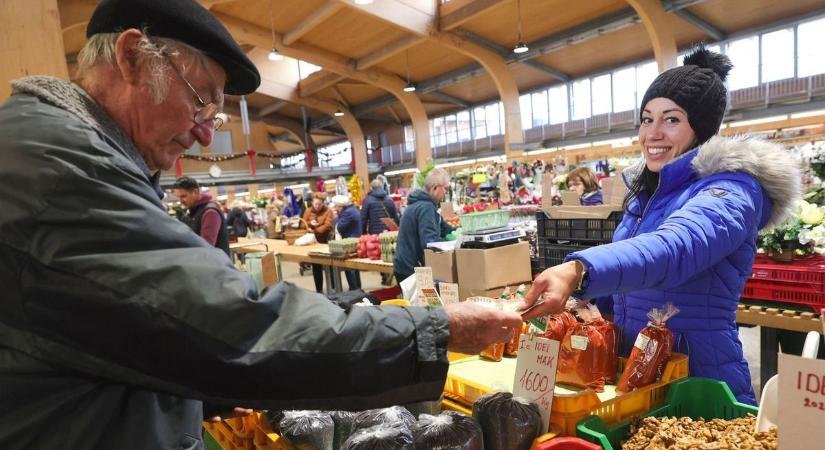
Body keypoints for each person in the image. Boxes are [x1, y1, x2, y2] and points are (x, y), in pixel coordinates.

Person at [0, 1, 523, 448]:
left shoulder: (60, 154)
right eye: (201, 100)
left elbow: (134, 333)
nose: (206, 136)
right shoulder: (61, 172)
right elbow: (232, 327)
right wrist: (437, 331)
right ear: (132, 56)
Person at [520, 46, 800, 405]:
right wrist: (581, 302)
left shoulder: (731, 191)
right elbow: (631, 286)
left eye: (671, 120)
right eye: (646, 119)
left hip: (697, 377)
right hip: (639, 369)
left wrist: (579, 269)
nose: (652, 133)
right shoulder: (647, 194)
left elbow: (673, 249)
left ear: (700, 128)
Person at [394, 168, 455, 283]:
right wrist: (449, 243)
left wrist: (457, 232)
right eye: (445, 188)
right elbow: (429, 242)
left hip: (404, 265)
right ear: (435, 188)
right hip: (411, 270)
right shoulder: (426, 208)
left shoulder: (420, 204)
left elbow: (442, 226)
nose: (446, 192)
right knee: (425, 295)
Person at [173, 176, 230, 256]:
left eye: (183, 196)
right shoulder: (194, 209)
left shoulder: (210, 212)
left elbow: (207, 246)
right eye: (178, 197)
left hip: (215, 262)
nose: (180, 201)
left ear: (195, 192)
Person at [303, 192, 334, 293]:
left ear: (323, 203)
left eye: (319, 204)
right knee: (316, 266)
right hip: (313, 243)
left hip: (326, 241)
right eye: (315, 204)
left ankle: (333, 287)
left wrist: (314, 230)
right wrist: (309, 224)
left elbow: (328, 225)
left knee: (330, 265)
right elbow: (303, 225)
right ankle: (319, 289)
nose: (317, 206)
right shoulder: (308, 211)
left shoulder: (328, 211)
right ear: (312, 202)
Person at [332, 194, 363, 290]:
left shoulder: (347, 213)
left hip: (350, 242)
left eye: (336, 206)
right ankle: (358, 288)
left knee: (350, 268)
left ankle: (354, 289)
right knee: (354, 268)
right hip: (355, 240)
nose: (335, 208)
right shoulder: (353, 209)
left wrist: (335, 217)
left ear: (340, 206)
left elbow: (339, 227)